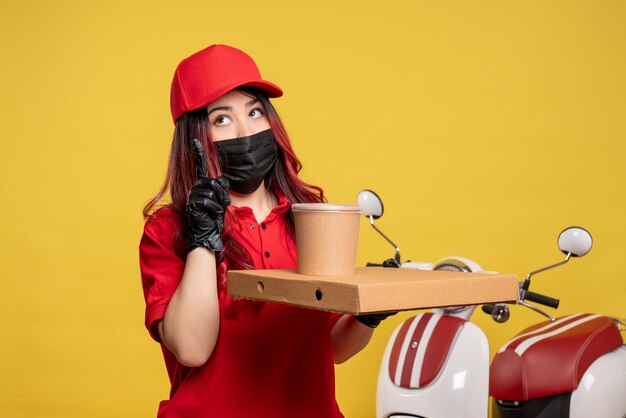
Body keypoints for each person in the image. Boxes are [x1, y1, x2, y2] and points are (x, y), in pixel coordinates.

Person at [139, 44, 387, 418]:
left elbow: (332, 348)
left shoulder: (311, 217)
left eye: (255, 111)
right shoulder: (167, 229)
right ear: (194, 141)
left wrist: (368, 313)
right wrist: (203, 238)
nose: (246, 130)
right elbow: (191, 348)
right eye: (221, 119)